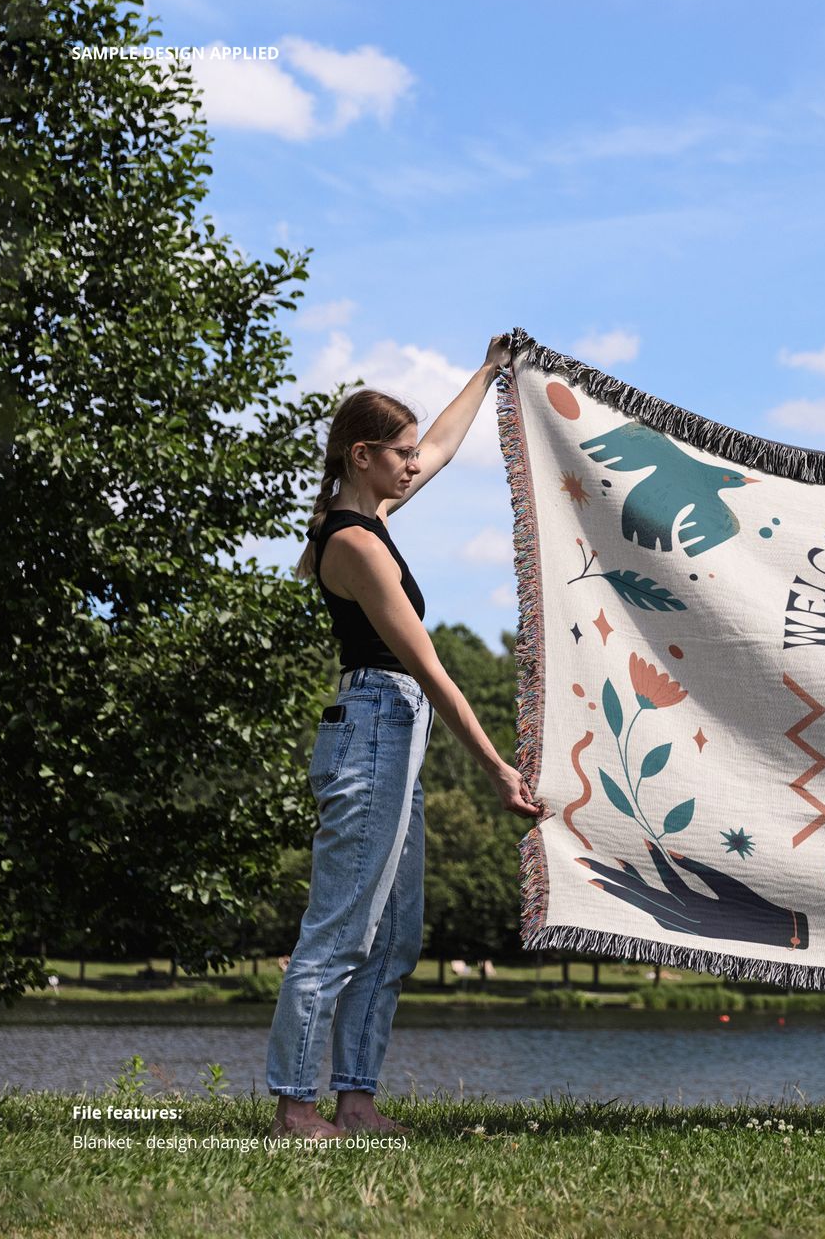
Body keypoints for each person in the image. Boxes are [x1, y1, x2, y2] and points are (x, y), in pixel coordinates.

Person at [266, 335, 541, 1139]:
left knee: (393, 933)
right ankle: (293, 1108)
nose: (415, 464)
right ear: (363, 455)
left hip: (394, 732)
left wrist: (489, 372)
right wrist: (495, 766)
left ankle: (355, 1101)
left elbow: (447, 449)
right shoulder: (351, 546)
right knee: (342, 928)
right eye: (401, 454)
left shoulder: (366, 514)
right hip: (378, 724)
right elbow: (430, 670)